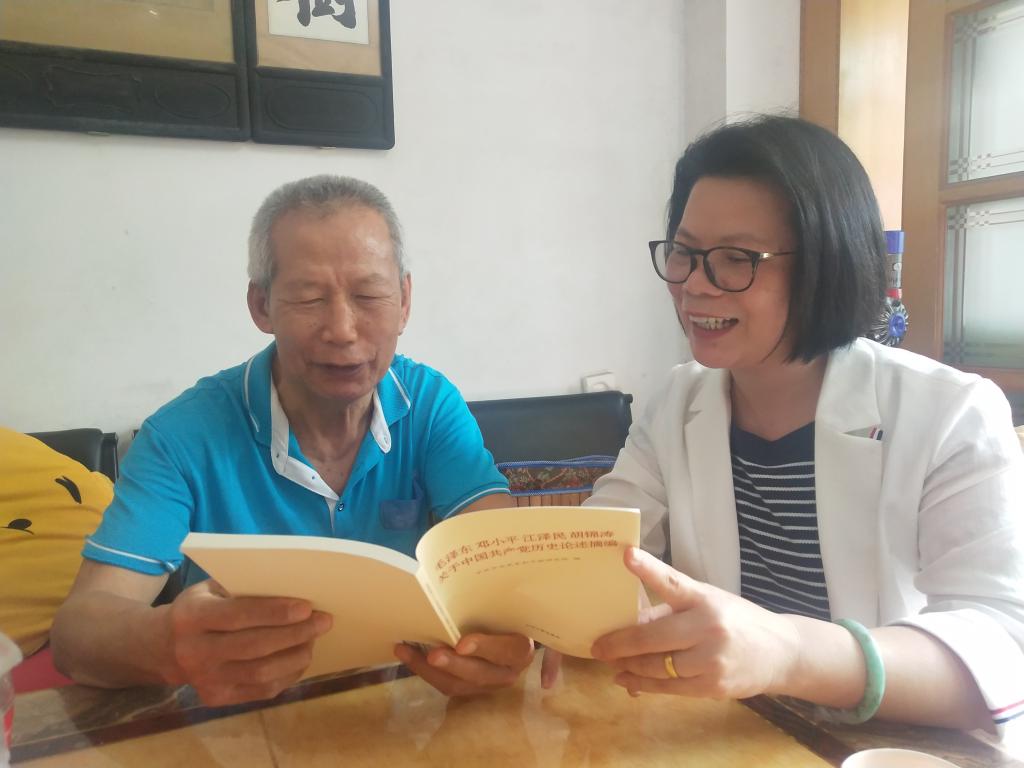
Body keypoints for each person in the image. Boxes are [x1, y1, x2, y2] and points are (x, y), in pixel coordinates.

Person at [582, 116, 1024, 734]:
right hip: (734, 736)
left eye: (736, 259)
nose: (695, 286)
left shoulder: (950, 412)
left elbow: (1004, 648)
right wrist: (515, 618)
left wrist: (787, 653)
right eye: (684, 253)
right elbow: (598, 554)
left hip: (886, 745)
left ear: (825, 265)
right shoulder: (674, 404)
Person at [51, 176, 534, 704]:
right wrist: (167, 645)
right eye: (308, 298)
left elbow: (503, 567)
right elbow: (79, 634)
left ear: (405, 301)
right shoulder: (182, 436)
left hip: (401, 713)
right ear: (261, 305)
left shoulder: (430, 405)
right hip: (237, 724)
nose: (342, 329)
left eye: (369, 294)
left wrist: (508, 638)